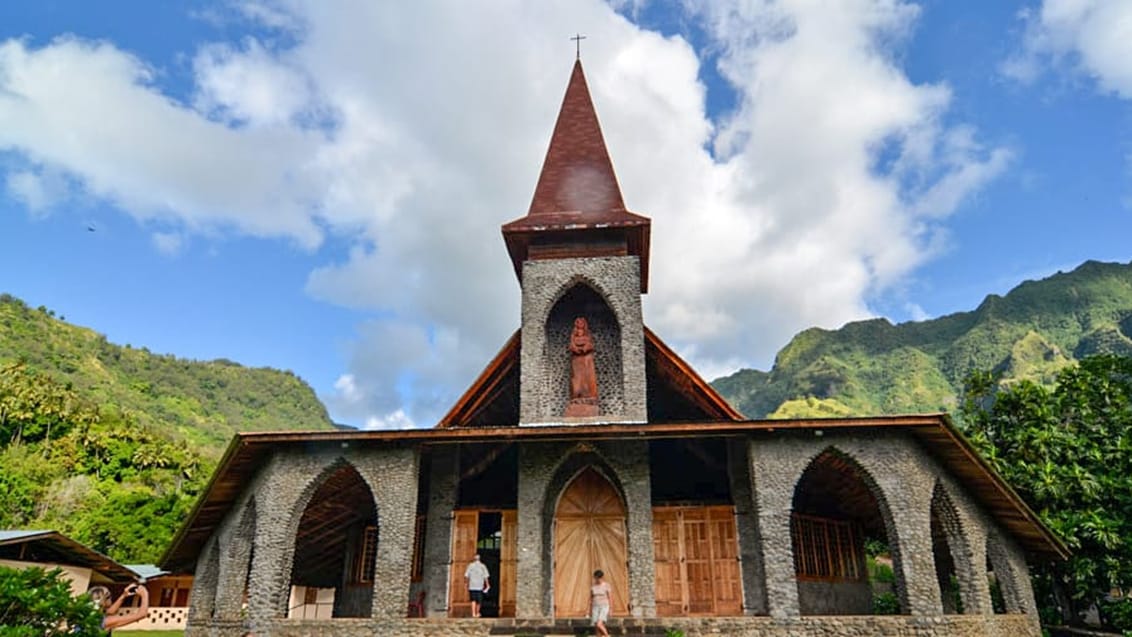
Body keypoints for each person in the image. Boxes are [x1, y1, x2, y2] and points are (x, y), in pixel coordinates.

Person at [464, 553, 490, 618]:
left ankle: (473, 613)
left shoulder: (470, 566)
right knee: (479, 601)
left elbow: (466, 575)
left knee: (473, 600)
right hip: (479, 586)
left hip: (472, 586)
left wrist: (466, 583)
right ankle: (477, 612)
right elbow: (486, 576)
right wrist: (487, 584)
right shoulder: (483, 566)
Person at [590, 569, 611, 637]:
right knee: (597, 626)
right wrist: (588, 609)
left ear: (601, 577)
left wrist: (611, 609)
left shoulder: (606, 585)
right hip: (595, 607)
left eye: (598, 578)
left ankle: (607, 635)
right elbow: (591, 598)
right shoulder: (593, 587)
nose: (596, 579)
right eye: (595, 578)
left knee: (599, 624)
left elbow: (610, 597)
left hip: (604, 606)